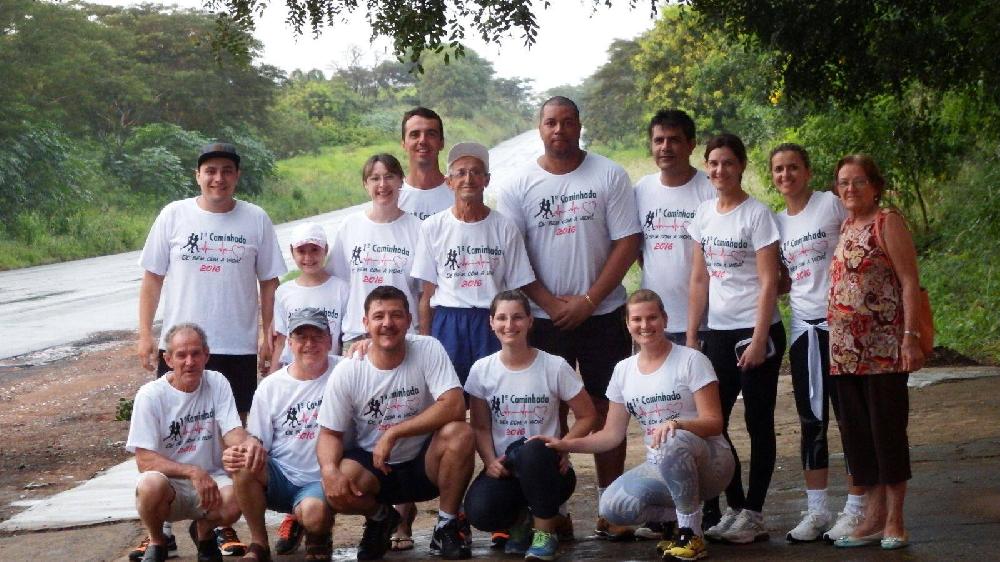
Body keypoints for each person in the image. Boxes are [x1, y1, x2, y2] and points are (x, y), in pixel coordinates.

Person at [497, 96, 641, 540]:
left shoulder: (609, 174)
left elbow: (628, 241)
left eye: (567, 122)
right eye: (550, 123)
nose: (559, 130)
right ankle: (552, 511)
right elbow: (514, 252)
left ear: (579, 125)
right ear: (539, 128)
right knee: (550, 412)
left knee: (605, 407)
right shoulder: (518, 184)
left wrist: (589, 300)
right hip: (543, 318)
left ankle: (610, 505)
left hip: (604, 313)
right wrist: (551, 303)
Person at [133, 142, 285, 559]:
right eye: (210, 171)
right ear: (198, 175)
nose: (218, 178)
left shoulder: (255, 218)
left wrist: (267, 334)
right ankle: (158, 526)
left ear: (237, 176)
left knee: (227, 435)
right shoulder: (174, 215)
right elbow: (152, 278)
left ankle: (218, 523)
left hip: (235, 344)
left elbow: (269, 282)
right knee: (169, 432)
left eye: (227, 171)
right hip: (181, 344)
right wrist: (145, 334)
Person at [536, 289, 734, 561]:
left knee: (671, 439)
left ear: (665, 319)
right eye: (637, 319)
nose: (645, 325)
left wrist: (678, 424)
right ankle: (672, 523)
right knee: (612, 507)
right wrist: (566, 445)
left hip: (711, 464)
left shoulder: (691, 360)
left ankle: (691, 534)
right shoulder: (623, 370)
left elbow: (714, 423)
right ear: (627, 324)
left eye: (652, 318)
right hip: (661, 466)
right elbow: (611, 435)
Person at [317, 286, 476, 560]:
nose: (387, 323)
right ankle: (380, 518)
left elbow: (455, 405)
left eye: (396, 315)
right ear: (365, 323)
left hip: (423, 463)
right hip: (373, 466)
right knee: (337, 481)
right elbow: (329, 433)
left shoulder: (428, 348)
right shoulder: (349, 369)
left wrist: (394, 432)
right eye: (378, 316)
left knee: (460, 433)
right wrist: (329, 470)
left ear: (409, 320)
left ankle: (446, 524)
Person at [686, 133, 786, 544]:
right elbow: (699, 279)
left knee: (758, 421)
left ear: (741, 165)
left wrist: (760, 338)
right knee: (715, 423)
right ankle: (735, 504)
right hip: (718, 332)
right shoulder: (703, 214)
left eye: (728, 162)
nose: (720, 170)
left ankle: (755, 513)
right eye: (713, 163)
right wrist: (692, 336)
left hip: (756, 330)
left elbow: (769, 282)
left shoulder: (757, 215)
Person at [770, 144, 866, 543]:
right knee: (812, 422)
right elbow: (781, 279)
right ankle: (817, 511)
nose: (786, 175)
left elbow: (861, 238)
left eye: (793, 167)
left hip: (840, 326)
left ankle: (857, 509)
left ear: (808, 172)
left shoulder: (829, 204)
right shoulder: (776, 223)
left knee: (850, 419)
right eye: (778, 169)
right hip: (802, 330)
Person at [828, 154, 924, 551]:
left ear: (875, 186)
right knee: (858, 437)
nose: (850, 189)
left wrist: (909, 337)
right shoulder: (846, 225)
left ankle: (895, 519)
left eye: (859, 181)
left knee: (887, 433)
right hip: (844, 354)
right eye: (843, 182)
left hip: (883, 351)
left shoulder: (888, 222)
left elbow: (909, 281)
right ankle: (872, 517)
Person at [462, 290, 596, 560]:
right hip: (507, 468)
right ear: (491, 322)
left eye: (517, 317)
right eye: (502, 318)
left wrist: (565, 446)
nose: (509, 325)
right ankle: (525, 521)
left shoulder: (554, 366)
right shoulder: (481, 369)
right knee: (480, 511)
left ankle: (546, 532)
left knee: (532, 449)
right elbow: (480, 427)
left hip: (549, 468)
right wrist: (489, 461)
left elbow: (588, 415)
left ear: (530, 321)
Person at [126, 324, 259, 562]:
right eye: (181, 355)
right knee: (149, 486)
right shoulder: (150, 395)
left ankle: (204, 533)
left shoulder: (217, 382)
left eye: (196, 353)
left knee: (239, 496)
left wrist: (249, 445)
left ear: (206, 355)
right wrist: (192, 472)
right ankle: (157, 540)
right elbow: (144, 460)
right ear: (168, 359)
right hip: (170, 483)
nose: (190, 362)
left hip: (211, 480)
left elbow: (232, 432)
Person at [413, 142, 536, 386]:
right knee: (450, 393)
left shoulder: (504, 227)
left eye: (476, 172)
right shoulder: (433, 227)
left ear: (486, 180)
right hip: (449, 321)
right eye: (460, 173)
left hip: (491, 321)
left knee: (493, 391)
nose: (468, 179)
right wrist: (426, 342)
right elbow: (426, 295)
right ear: (449, 182)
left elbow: (517, 290)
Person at [226, 309, 343, 562]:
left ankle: (318, 535)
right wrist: (247, 446)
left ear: (330, 340)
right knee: (243, 461)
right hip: (280, 475)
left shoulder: (345, 371)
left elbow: (378, 358)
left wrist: (365, 345)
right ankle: (259, 542)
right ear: (289, 342)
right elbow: (258, 439)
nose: (309, 344)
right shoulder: (271, 385)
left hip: (320, 480)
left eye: (317, 336)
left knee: (314, 514)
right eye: (301, 337)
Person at [634, 109, 715, 352]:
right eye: (658, 140)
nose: (665, 147)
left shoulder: (711, 190)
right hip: (654, 322)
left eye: (674, 140)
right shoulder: (641, 190)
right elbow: (638, 251)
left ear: (691, 145)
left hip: (705, 323)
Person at [325, 153, 422, 346]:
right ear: (365, 184)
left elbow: (423, 293)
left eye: (389, 177)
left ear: (401, 181)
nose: (382, 185)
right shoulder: (349, 226)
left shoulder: (418, 229)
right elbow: (337, 285)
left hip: (403, 336)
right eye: (375, 178)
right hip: (358, 335)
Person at [270, 221, 349, 372]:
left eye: (314, 250)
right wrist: (272, 376)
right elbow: (281, 341)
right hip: (294, 373)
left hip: (329, 372)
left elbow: (345, 339)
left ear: (326, 249)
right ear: (292, 251)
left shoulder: (342, 289)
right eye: (301, 251)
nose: (308, 257)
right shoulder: (283, 292)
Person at [398, 107, 454, 221]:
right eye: (415, 134)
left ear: (442, 143)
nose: (423, 140)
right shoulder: (393, 197)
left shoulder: (458, 194)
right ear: (403, 143)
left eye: (431, 134)